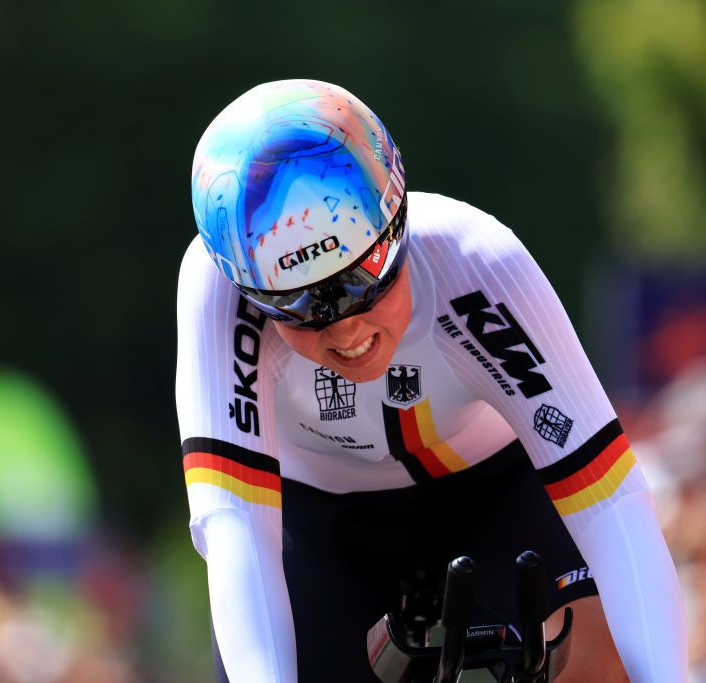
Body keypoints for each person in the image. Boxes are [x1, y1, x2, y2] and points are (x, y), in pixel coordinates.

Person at [176, 79, 689, 682]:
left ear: (399, 222)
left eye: (365, 279)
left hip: (497, 490)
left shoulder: (476, 262)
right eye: (299, 306)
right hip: (322, 523)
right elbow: (234, 526)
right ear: (248, 291)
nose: (344, 330)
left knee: (600, 661)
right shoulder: (216, 294)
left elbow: (612, 502)